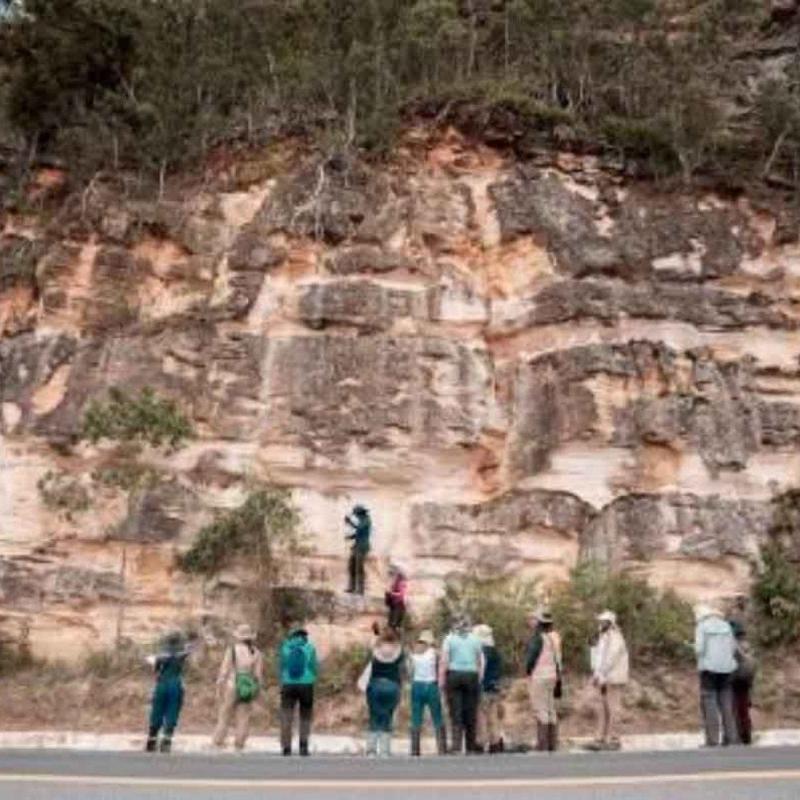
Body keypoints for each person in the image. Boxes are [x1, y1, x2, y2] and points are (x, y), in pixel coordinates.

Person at [212, 624, 264, 752]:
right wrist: (257, 691)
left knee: (225, 715)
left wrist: (219, 686)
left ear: (238, 637)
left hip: (232, 685)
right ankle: (239, 743)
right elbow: (258, 676)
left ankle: (218, 741)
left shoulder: (233, 650)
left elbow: (224, 670)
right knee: (244, 717)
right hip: (247, 687)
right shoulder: (257, 653)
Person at [694, 604, 739, 747]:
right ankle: (730, 737)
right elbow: (733, 648)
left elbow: (699, 649)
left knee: (709, 703)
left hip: (709, 669)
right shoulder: (726, 626)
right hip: (727, 669)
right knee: (726, 702)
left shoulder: (702, 627)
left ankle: (712, 739)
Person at [440, 615, 484, 754]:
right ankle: (470, 746)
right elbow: (479, 660)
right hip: (471, 675)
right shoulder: (476, 639)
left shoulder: (449, 638)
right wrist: (479, 677)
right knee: (471, 712)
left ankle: (456, 746)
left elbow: (444, 660)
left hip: (454, 674)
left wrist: (441, 680)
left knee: (455, 712)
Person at [586, 610, 629, 751]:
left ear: (610, 623)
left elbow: (611, 658)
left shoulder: (616, 637)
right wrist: (596, 674)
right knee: (602, 709)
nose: (600, 624)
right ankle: (600, 738)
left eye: (603, 622)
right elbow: (598, 658)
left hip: (613, 678)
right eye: (600, 622)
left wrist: (601, 673)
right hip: (603, 678)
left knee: (614, 709)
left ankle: (614, 739)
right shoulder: (603, 637)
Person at [358, 628, 404, 756]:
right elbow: (403, 666)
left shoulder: (375, 650)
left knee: (374, 717)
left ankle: (371, 750)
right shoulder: (399, 651)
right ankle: (385, 751)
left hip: (375, 686)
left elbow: (370, 648)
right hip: (392, 686)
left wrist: (376, 635)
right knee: (387, 717)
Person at [145, 631, 191, 753]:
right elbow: (188, 653)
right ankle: (166, 741)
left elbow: (155, 669)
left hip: (162, 684)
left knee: (157, 711)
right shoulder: (182, 654)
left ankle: (151, 740)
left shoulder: (161, 655)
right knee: (172, 711)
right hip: (175, 684)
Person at [525, 607, 562, 752]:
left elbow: (531, 658)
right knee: (550, 708)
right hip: (553, 675)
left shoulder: (538, 638)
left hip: (540, 675)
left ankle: (543, 744)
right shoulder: (554, 637)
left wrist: (528, 671)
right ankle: (553, 743)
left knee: (540, 709)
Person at [279, 626, 319, 756]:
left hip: (288, 685)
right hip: (306, 685)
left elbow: (281, 666)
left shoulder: (285, 647)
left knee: (286, 716)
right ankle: (303, 746)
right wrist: (312, 678)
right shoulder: (310, 648)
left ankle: (286, 747)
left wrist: (284, 680)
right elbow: (314, 667)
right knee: (305, 716)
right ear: (304, 637)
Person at [408, 630, 447, 756]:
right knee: (437, 716)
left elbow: (409, 671)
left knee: (416, 717)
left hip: (417, 685)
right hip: (431, 686)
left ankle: (415, 749)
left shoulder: (413, 654)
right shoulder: (433, 653)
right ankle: (442, 748)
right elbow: (443, 660)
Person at [474, 624, 504, 754]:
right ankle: (495, 743)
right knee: (493, 717)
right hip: (495, 688)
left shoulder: (481, 651)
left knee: (481, 716)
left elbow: (481, 670)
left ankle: (480, 742)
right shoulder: (496, 651)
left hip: (484, 687)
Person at [730, 620, 756, 745]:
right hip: (748, 678)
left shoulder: (733, 644)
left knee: (736, 707)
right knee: (744, 706)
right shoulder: (747, 644)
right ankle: (746, 734)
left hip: (736, 677)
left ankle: (740, 735)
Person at [345, 505, 371, 595]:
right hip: (357, 546)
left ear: (360, 513)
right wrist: (350, 537)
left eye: (356, 514)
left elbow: (359, 529)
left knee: (359, 568)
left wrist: (350, 522)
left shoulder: (367, 520)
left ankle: (360, 589)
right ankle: (352, 587)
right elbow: (358, 533)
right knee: (351, 566)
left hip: (362, 547)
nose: (356, 516)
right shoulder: (361, 520)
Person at [385, 563, 408, 631]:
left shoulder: (401, 582)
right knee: (391, 623)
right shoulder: (394, 582)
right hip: (393, 604)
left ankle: (394, 631)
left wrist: (391, 593)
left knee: (394, 624)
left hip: (398, 604)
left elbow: (401, 594)